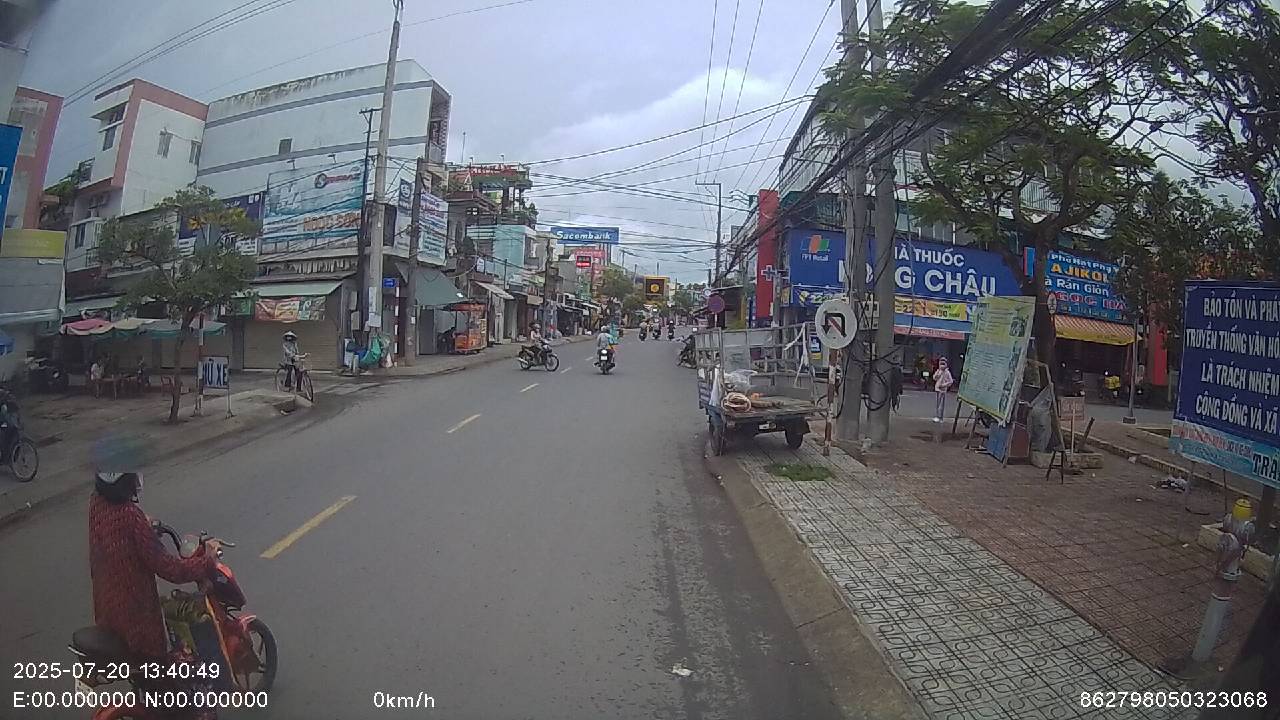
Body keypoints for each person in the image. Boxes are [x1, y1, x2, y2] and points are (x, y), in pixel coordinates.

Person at [88, 469, 221, 718]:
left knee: (152, 680)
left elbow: (117, 536)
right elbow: (169, 568)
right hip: (137, 624)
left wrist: (143, 525)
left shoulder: (97, 502)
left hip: (107, 612)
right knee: (178, 696)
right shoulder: (130, 516)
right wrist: (207, 562)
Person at [933, 357, 954, 422]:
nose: (942, 365)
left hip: (943, 390)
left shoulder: (947, 372)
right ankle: (937, 416)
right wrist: (938, 373)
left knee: (941, 404)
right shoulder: (939, 371)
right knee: (938, 404)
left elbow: (951, 381)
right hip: (938, 389)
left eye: (943, 363)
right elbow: (934, 378)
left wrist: (944, 385)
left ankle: (941, 417)